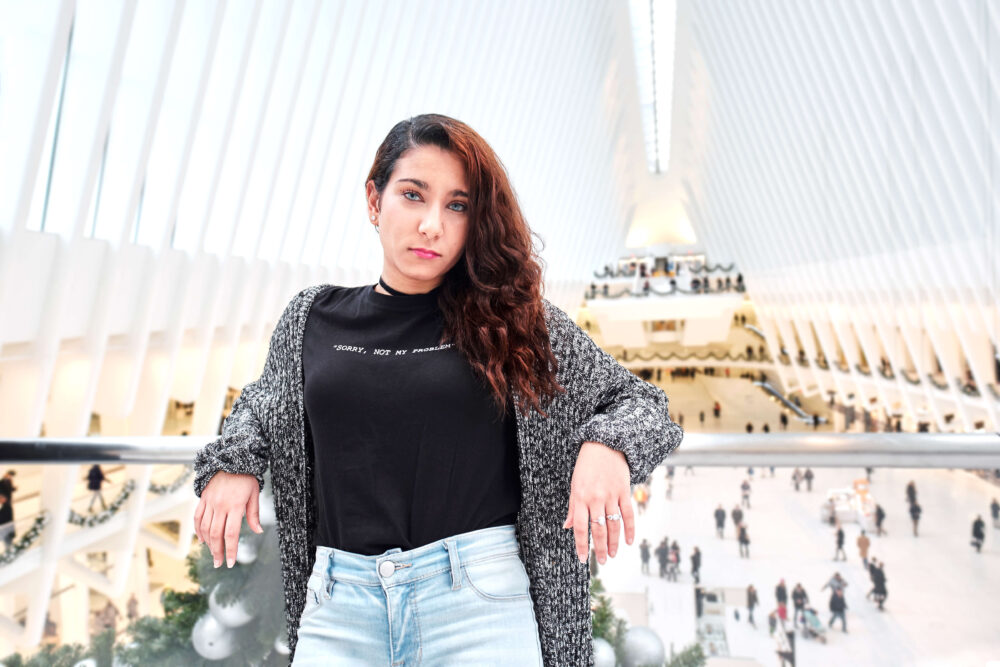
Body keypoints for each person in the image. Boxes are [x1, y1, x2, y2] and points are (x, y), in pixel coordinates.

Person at [192, 114, 685, 665]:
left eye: (457, 205)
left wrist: (607, 446)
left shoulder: (512, 323)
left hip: (479, 605)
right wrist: (234, 462)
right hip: (338, 608)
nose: (432, 225)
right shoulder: (312, 317)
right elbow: (265, 405)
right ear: (374, 201)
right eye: (413, 195)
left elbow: (642, 404)